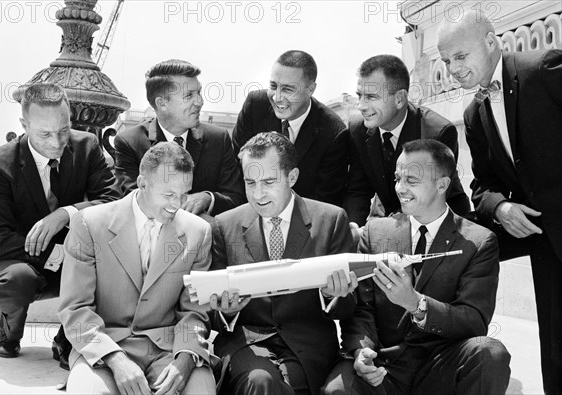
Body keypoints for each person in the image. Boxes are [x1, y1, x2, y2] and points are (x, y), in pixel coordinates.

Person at [437, 10, 562, 394]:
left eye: (460, 56)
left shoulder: (543, 67)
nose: (453, 68)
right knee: (556, 349)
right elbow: (483, 186)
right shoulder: (474, 112)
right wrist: (502, 208)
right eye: (445, 61)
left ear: (491, 43)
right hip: (544, 243)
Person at [324, 139, 511, 394]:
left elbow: (474, 321)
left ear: (442, 184)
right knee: (337, 389)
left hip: (441, 365)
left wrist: (416, 304)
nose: (400, 188)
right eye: (397, 178)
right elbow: (361, 309)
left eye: (411, 181)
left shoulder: (478, 242)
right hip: (384, 366)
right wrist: (361, 350)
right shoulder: (375, 233)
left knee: (491, 353)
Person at [0, 83, 120, 367]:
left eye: (63, 130)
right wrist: (59, 253)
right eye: (45, 133)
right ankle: (8, 331)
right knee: (17, 281)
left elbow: (113, 200)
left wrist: (66, 213)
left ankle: (70, 339)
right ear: (24, 124)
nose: (56, 141)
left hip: (72, 257)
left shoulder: (87, 146)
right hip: (9, 260)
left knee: (114, 261)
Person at [58, 142, 216, 394]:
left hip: (169, 350)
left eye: (184, 194)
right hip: (103, 348)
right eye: (168, 194)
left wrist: (186, 358)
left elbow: (195, 313)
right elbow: (75, 310)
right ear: (142, 184)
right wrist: (115, 359)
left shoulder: (199, 231)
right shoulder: (88, 224)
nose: (177, 204)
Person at [210, 132, 357, 395]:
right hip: (246, 345)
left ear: (292, 177)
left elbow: (349, 308)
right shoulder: (223, 225)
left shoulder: (332, 220)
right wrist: (226, 311)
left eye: (268, 181)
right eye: (250, 182)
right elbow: (210, 311)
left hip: (307, 347)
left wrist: (331, 295)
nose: (258, 193)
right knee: (260, 382)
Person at [344, 54, 470, 227]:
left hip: (440, 225)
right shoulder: (358, 129)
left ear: (400, 99)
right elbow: (358, 189)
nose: (361, 106)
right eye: (360, 96)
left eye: (372, 97)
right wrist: (353, 227)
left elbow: (428, 200)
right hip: (395, 224)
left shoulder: (437, 132)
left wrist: (384, 229)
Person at [114, 59, 245, 217]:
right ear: (162, 104)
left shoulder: (219, 139)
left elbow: (237, 198)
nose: (200, 101)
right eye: (189, 95)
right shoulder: (129, 143)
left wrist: (208, 198)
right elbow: (133, 201)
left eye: (199, 92)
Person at [232, 50, 349, 206]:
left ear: (311, 89)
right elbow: (235, 170)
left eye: (288, 89)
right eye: (273, 86)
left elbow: (323, 202)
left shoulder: (334, 133)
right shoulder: (255, 106)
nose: (277, 97)